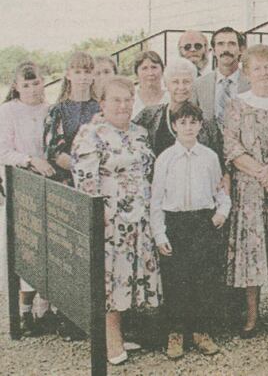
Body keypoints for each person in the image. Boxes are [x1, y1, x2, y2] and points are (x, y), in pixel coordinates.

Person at [71, 76, 161, 365]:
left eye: (127, 100)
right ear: (103, 104)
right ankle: (110, 339)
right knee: (111, 278)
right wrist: (99, 218)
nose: (123, 106)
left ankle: (122, 332)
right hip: (111, 219)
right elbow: (85, 181)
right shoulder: (90, 133)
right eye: (116, 100)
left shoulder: (140, 132)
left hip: (139, 215)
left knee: (131, 276)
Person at [150, 101, 229, 359]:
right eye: (182, 122)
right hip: (176, 224)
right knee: (176, 279)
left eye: (193, 122)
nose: (188, 127)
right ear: (174, 126)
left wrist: (221, 212)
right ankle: (176, 333)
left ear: (200, 124)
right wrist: (160, 233)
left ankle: (200, 332)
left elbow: (220, 190)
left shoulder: (209, 157)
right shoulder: (165, 158)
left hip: (202, 222)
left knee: (202, 279)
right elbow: (157, 199)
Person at [224, 44, 268, 338]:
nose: (263, 72)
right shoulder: (236, 104)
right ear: (246, 72)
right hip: (250, 188)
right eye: (257, 67)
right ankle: (252, 315)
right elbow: (231, 146)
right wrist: (260, 171)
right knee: (252, 250)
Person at [0, 62, 55, 335]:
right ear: (16, 87)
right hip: (23, 186)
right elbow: (3, 151)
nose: (32, 89)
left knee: (49, 247)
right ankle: (24, 313)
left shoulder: (49, 110)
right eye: (26, 85)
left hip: (49, 184)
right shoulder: (8, 112)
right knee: (28, 249)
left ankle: (44, 310)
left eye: (36, 83)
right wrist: (30, 160)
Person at [133, 58, 224, 162]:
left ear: (194, 84)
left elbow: (219, 158)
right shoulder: (149, 115)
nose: (181, 87)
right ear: (166, 84)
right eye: (175, 82)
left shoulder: (206, 121)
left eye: (186, 82)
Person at [43, 52, 101, 184]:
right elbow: (53, 151)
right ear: (68, 75)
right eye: (78, 72)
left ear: (93, 75)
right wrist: (83, 170)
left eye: (87, 72)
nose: (83, 77)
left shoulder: (102, 109)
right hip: (66, 180)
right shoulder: (57, 110)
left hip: (99, 177)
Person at [193, 26, 250, 129]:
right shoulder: (199, 85)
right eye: (220, 44)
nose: (226, 49)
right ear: (214, 51)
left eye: (232, 44)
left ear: (241, 50)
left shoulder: (252, 83)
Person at [132, 51, 170, 117]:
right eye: (144, 68)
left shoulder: (171, 97)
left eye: (154, 67)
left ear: (162, 70)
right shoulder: (130, 97)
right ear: (136, 73)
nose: (150, 73)